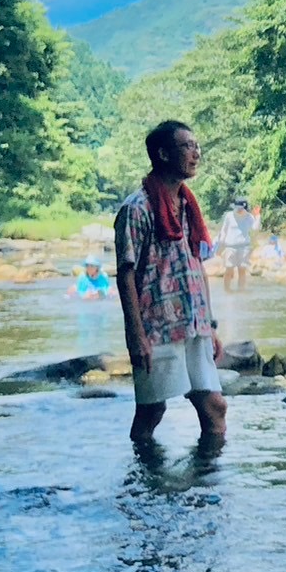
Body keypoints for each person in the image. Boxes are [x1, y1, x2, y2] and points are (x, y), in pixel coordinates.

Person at [113, 120, 227, 444]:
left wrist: (210, 324)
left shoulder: (189, 206)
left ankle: (208, 487)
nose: (195, 154)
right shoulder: (136, 209)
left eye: (196, 146)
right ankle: (144, 483)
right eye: (187, 146)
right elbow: (126, 275)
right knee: (152, 412)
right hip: (156, 327)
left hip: (193, 324)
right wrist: (136, 337)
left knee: (215, 408)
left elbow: (197, 266)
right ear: (163, 154)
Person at [215, 198, 259, 292]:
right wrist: (221, 245)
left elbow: (255, 228)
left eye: (240, 208)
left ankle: (241, 291)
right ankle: (227, 290)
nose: (238, 210)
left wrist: (258, 216)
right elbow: (224, 230)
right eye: (236, 208)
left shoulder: (249, 217)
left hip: (244, 247)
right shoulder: (229, 216)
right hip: (230, 247)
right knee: (229, 270)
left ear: (245, 208)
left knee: (242, 270)